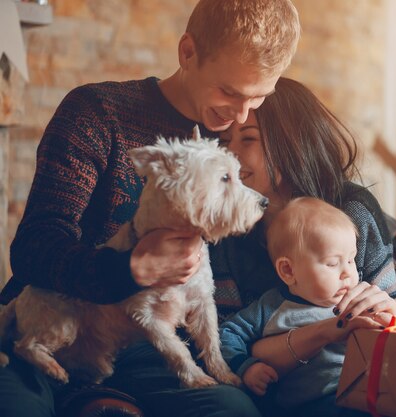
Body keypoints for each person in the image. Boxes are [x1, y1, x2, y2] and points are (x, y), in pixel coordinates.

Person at [0, 1, 300, 417]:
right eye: (228, 92)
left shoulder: (241, 138)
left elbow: (309, 205)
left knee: (232, 410)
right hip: (59, 319)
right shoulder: (96, 113)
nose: (240, 115)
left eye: (259, 97)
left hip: (148, 347)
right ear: (188, 52)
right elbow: (35, 246)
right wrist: (126, 271)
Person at [212, 77, 396, 417]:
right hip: (278, 397)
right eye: (226, 140)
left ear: (291, 142)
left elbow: (394, 301)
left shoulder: (351, 209)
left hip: (366, 386)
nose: (231, 154)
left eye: (249, 138)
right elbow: (227, 342)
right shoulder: (223, 229)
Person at [220, 197, 376, 417]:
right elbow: (226, 334)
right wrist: (246, 366)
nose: (347, 273)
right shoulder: (270, 307)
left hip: (363, 395)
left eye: (351, 260)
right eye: (332, 263)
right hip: (311, 406)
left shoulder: (355, 300)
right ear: (288, 271)